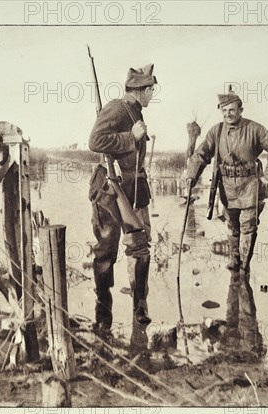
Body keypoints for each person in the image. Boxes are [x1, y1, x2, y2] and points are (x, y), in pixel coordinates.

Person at [87, 64, 157, 337]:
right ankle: (103, 314)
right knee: (106, 251)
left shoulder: (135, 111)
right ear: (141, 90)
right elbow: (95, 140)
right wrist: (131, 137)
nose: (152, 95)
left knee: (140, 247)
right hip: (109, 188)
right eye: (151, 90)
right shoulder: (117, 109)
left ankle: (140, 306)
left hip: (135, 186)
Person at [186, 90, 268, 273]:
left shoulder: (255, 129)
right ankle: (234, 260)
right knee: (232, 224)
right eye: (224, 111)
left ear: (241, 110)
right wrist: (191, 176)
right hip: (226, 188)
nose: (228, 114)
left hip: (250, 186)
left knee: (248, 225)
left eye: (232, 110)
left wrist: (267, 178)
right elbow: (201, 154)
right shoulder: (216, 131)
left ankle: (244, 267)